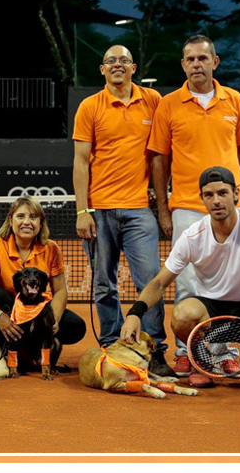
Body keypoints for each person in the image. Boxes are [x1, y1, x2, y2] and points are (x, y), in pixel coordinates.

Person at [120, 167, 240, 392]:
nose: (216, 200)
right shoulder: (193, 236)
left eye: (222, 193)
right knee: (182, 314)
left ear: (236, 194)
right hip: (210, 312)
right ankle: (200, 361)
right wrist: (134, 314)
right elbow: (159, 283)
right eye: (209, 195)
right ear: (202, 198)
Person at [148, 35, 240, 377]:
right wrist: (165, 210)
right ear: (183, 65)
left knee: (228, 286)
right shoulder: (169, 104)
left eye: (202, 58)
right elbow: (159, 160)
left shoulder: (235, 100)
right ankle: (188, 353)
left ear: (215, 62)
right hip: (185, 205)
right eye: (190, 59)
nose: (196, 64)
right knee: (186, 283)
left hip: (230, 210)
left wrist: (228, 190)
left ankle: (224, 352)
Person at [72, 44, 172, 377]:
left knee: (150, 281)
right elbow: (81, 161)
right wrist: (82, 210)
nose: (118, 65)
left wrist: (161, 206)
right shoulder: (89, 107)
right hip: (99, 209)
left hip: (140, 210)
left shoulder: (154, 101)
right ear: (102, 70)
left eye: (124, 61)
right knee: (104, 284)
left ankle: (155, 349)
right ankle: (111, 344)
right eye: (111, 61)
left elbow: (161, 154)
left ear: (133, 67)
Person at [0, 196, 87, 368]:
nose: (27, 222)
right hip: (10, 310)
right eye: (21, 216)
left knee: (76, 326)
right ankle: (3, 350)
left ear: (41, 223)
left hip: (37, 308)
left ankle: (34, 350)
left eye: (33, 217)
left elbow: (60, 290)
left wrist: (54, 319)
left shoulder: (51, 248)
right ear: (10, 220)